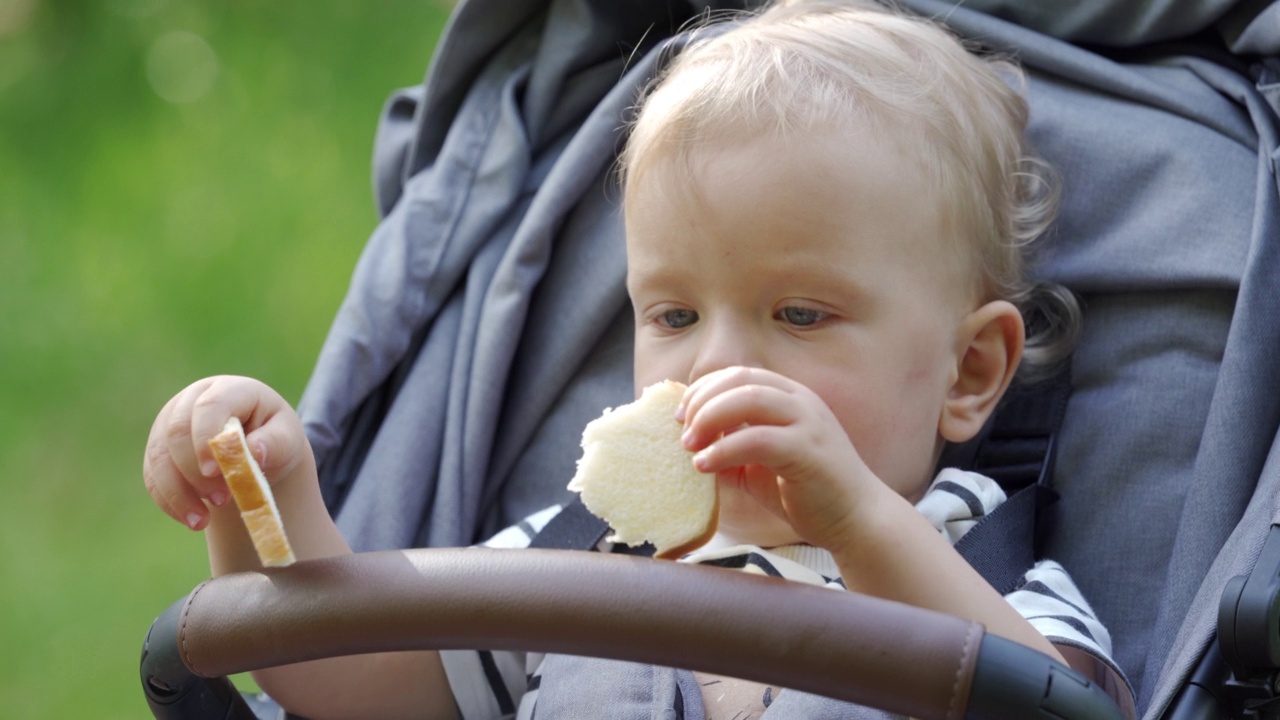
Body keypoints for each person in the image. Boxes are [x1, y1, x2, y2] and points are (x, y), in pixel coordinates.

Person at [142, 1, 1133, 718]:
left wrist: (861, 526)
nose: (712, 363)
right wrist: (262, 494)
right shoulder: (578, 556)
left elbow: (1052, 710)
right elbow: (349, 683)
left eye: (799, 313)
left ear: (965, 374)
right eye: (671, 313)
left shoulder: (982, 577)